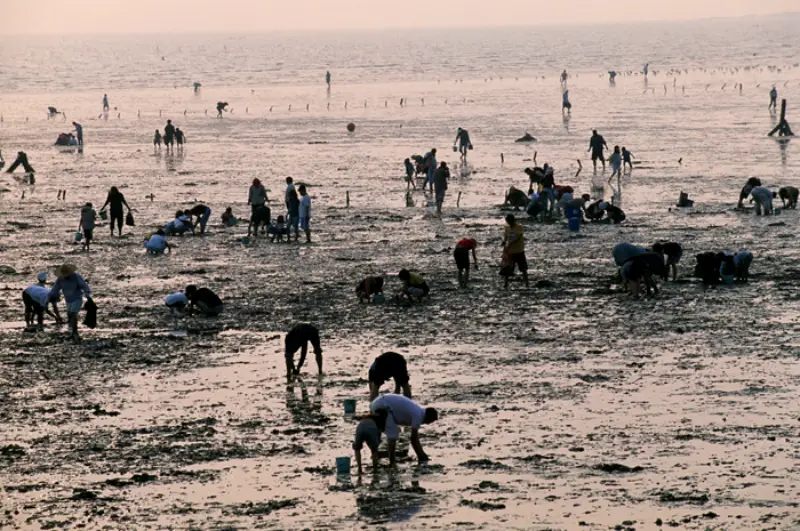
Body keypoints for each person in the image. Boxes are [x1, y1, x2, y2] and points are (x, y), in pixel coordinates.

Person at [369, 394, 438, 465]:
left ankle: (376, 458)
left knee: (379, 432)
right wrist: (422, 456)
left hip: (377, 402)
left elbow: (415, 439)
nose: (428, 423)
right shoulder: (418, 415)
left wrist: (422, 454)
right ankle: (392, 464)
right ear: (428, 417)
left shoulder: (418, 410)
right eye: (430, 421)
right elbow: (414, 439)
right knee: (393, 435)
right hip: (383, 406)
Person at [49, 264, 91, 342]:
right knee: (69, 315)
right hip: (68, 300)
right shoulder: (60, 279)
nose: (66, 276)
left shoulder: (76, 277)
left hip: (77, 298)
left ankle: (75, 333)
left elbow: (84, 285)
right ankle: (74, 332)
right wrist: (49, 297)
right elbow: (55, 289)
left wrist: (87, 294)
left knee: (73, 314)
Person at [501, 214, 529, 289]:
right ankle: (506, 284)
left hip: (519, 251)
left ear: (512, 220)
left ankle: (527, 284)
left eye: (508, 221)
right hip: (511, 252)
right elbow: (505, 237)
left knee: (523, 269)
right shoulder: (507, 228)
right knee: (507, 268)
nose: (508, 223)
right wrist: (504, 242)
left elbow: (518, 237)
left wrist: (510, 244)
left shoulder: (519, 227)